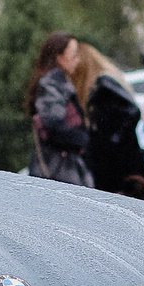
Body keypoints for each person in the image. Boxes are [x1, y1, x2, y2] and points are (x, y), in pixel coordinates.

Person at [73, 43, 144, 196]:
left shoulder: (103, 83)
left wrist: (112, 139)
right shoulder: (105, 82)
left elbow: (132, 111)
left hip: (121, 164)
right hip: (123, 161)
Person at [25, 33, 92, 185]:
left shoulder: (58, 83)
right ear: (59, 58)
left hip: (62, 168)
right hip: (59, 170)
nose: (77, 60)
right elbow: (53, 125)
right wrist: (81, 140)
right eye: (73, 56)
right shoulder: (53, 84)